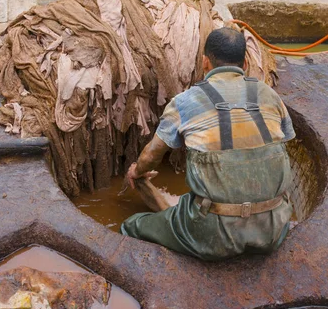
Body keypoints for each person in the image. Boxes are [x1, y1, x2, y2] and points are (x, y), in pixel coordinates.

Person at [121, 27, 295, 260]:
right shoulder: (269, 96)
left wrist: (137, 172)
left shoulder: (185, 102)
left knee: (133, 225)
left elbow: (151, 155)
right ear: (244, 63)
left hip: (213, 235)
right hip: (273, 229)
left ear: (205, 62)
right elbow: (282, 145)